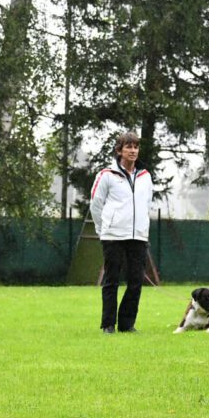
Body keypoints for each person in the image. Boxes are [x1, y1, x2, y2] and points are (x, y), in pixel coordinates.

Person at [90, 131, 154, 334]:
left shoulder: (145, 176)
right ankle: (108, 324)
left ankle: (127, 324)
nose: (133, 151)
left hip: (138, 237)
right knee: (112, 280)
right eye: (129, 147)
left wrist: (143, 231)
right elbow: (96, 204)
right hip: (113, 236)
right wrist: (103, 230)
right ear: (120, 150)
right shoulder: (106, 175)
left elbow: (147, 204)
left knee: (136, 281)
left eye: (135, 147)